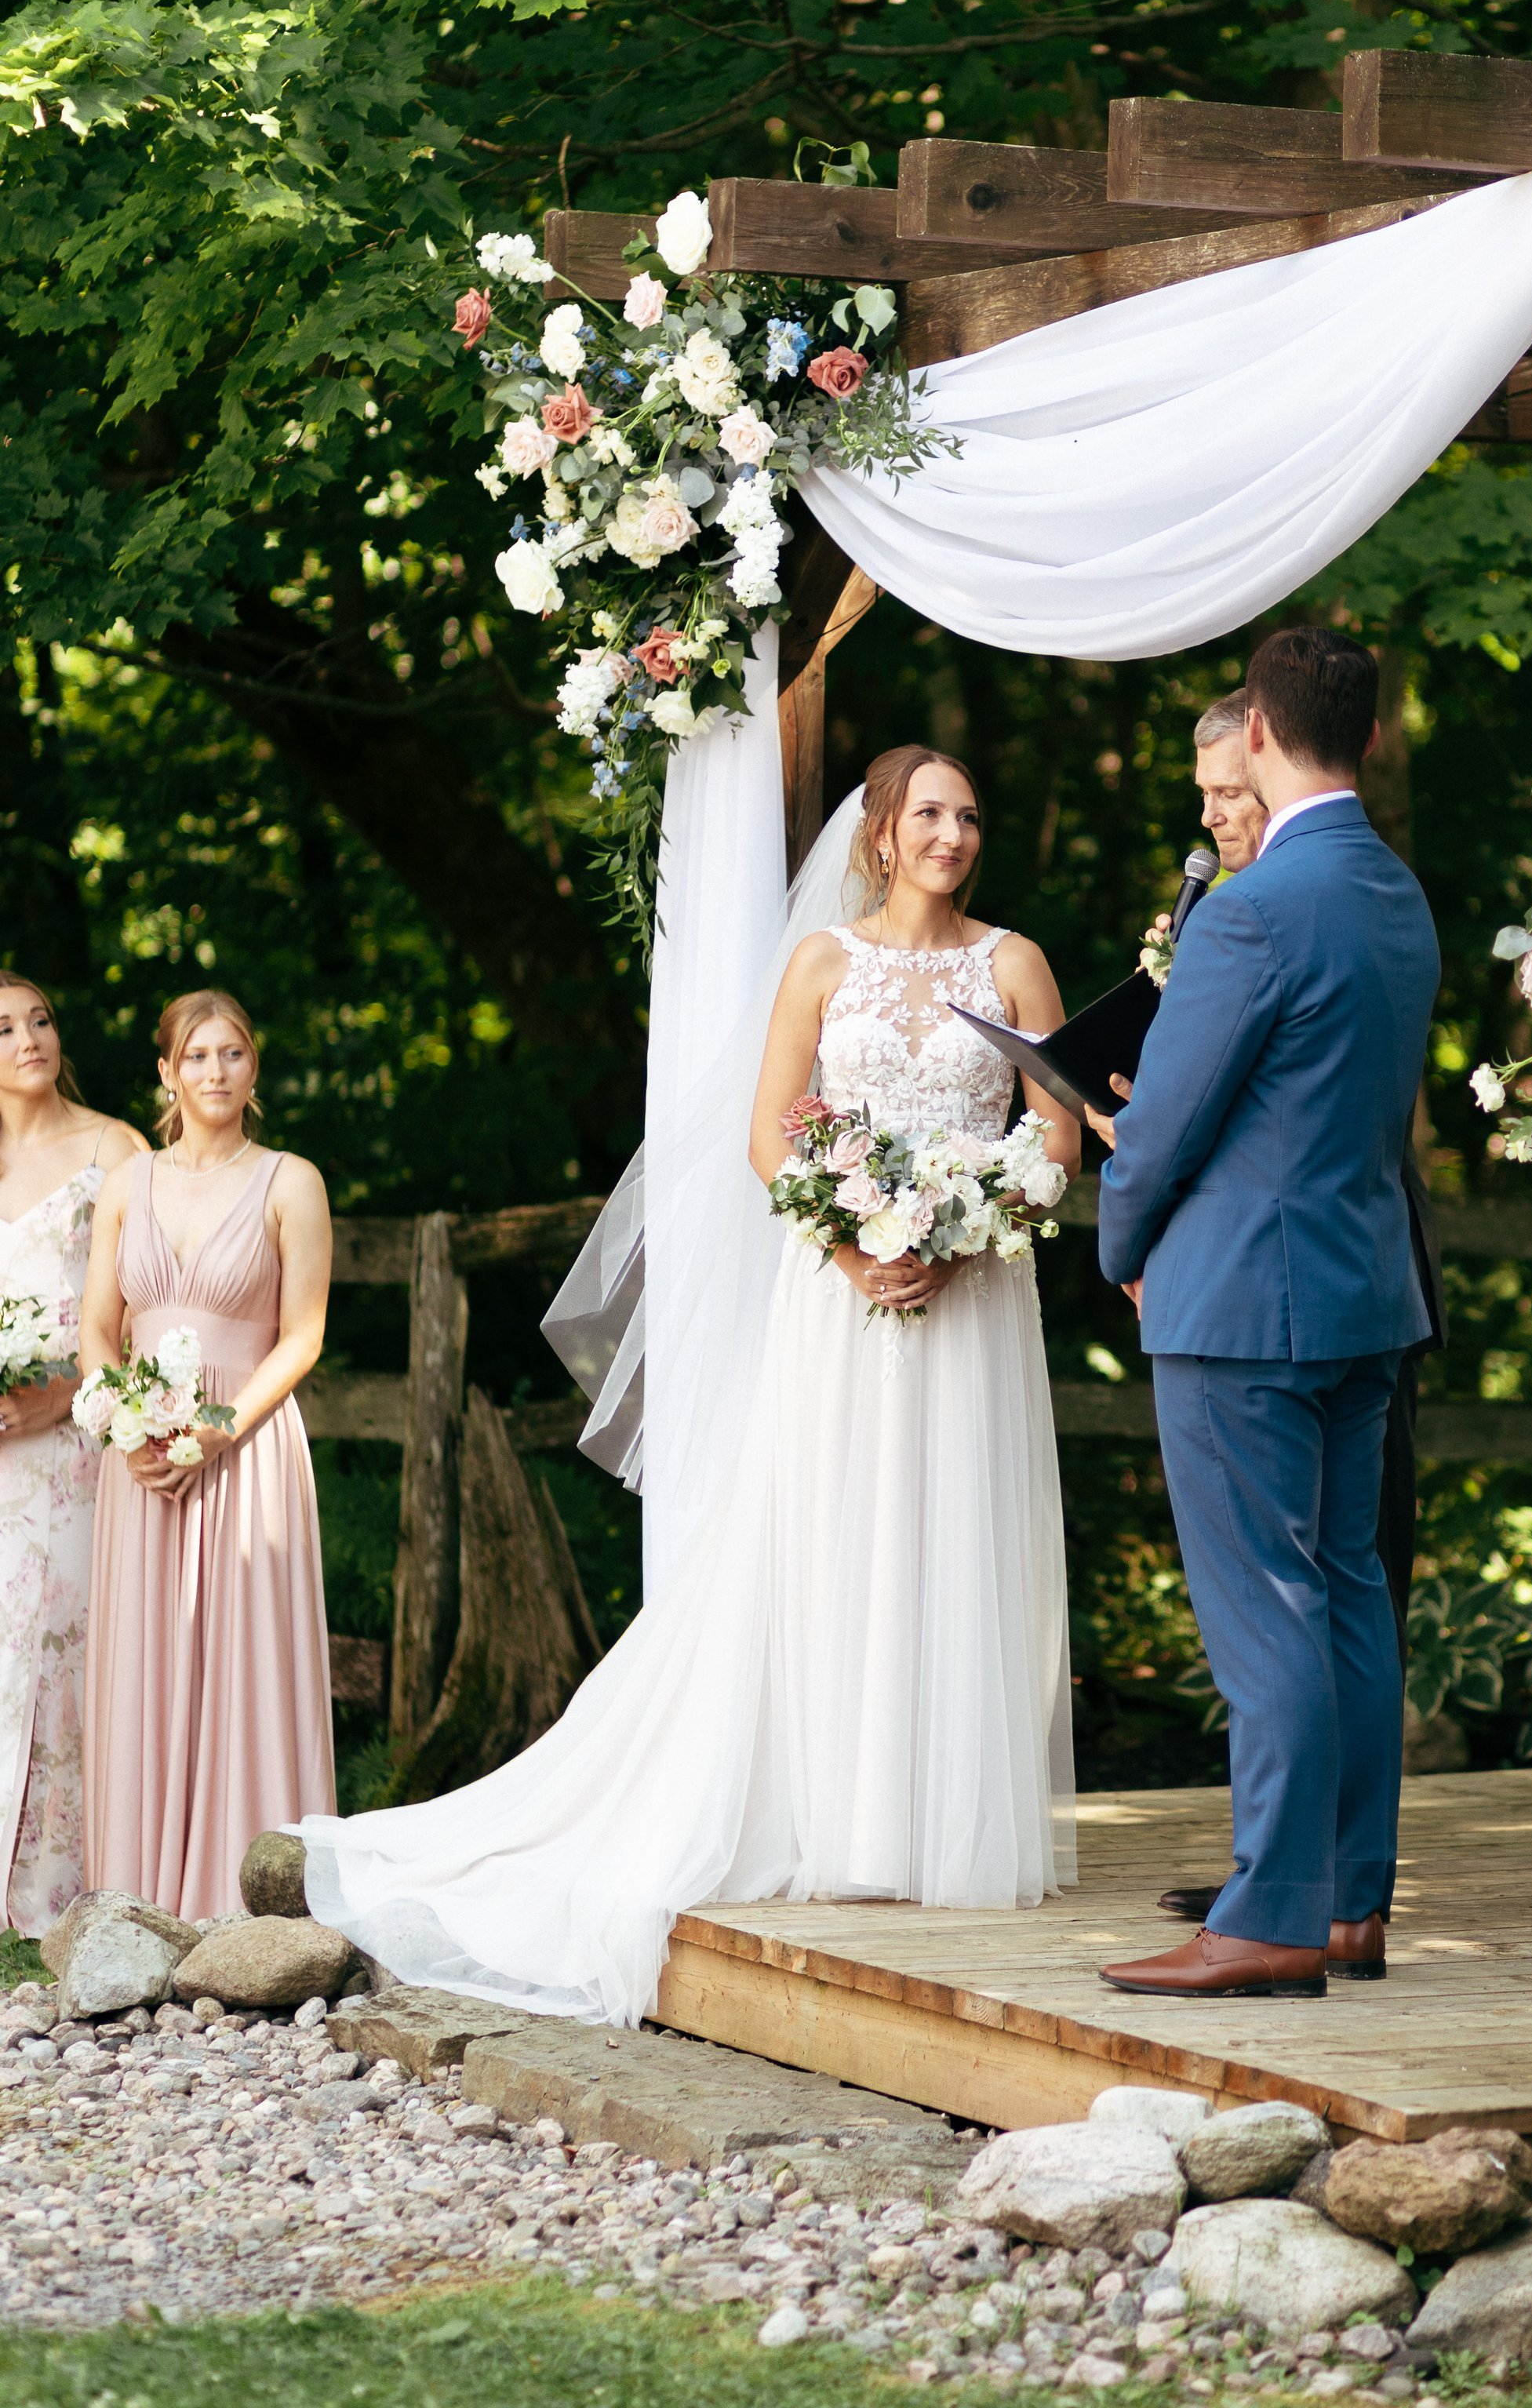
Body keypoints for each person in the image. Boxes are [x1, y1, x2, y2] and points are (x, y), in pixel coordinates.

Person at [301, 750, 1081, 2027]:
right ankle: (842, 1820)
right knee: (834, 1537)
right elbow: (774, 1129)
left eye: (970, 815)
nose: (955, 832)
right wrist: (852, 1237)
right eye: (930, 813)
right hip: (839, 1299)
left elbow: (1053, 1130)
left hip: (973, 1299)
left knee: (955, 1534)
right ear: (879, 836)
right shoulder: (823, 963)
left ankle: (942, 1826)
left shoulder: (1015, 964)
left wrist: (958, 1230)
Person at [1094, 629, 1440, 1999]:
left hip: (1238, 1300)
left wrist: (1126, 1240)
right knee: (1349, 1590)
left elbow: (1167, 1120)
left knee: (1267, 1610)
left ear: (1260, 737)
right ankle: (1353, 1900)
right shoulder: (1393, 891)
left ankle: (1272, 1915)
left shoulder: (1252, 908)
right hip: (1362, 1289)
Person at [80, 990, 336, 1921]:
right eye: (196, 1056)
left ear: (253, 1069)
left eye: (232, 1054)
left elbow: (302, 1337)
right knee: (147, 1655)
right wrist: (129, 1423)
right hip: (142, 1458)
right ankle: (140, 1894)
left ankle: (250, 1901)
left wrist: (217, 1432)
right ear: (166, 1073)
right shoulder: (128, 1184)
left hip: (248, 1450)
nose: (216, 1071)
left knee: (243, 1659)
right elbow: (97, 1329)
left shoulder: (290, 1181)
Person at [0, 977, 146, 1937]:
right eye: (4, 1029)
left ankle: (68, 1885)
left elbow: (150, 1299)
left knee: (64, 1642)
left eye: (40, 1020)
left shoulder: (116, 1149)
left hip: (78, 1443)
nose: (28, 1039)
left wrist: (64, 1393)